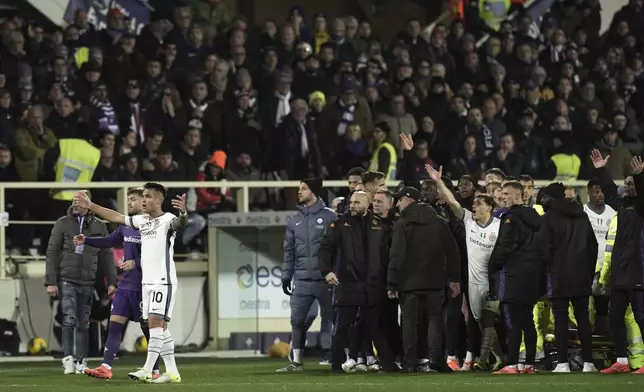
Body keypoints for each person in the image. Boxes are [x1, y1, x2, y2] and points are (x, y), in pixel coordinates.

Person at [73, 183, 188, 383]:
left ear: (159, 200)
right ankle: (172, 371)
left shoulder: (168, 219)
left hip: (163, 281)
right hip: (146, 283)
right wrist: (90, 205)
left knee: (154, 325)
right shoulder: (140, 221)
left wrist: (184, 214)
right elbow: (115, 217)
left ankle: (147, 369)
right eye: (142, 196)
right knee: (160, 328)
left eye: (148, 196)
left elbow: (180, 223)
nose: (144, 200)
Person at [426, 164, 505, 372]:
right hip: (473, 283)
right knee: (481, 323)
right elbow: (451, 201)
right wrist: (438, 181)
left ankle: (481, 360)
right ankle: (501, 357)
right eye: (475, 204)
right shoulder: (469, 221)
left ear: (489, 207)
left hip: (494, 282)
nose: (475, 207)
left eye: (479, 204)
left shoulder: (499, 226)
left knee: (488, 321)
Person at [77, 188, 160, 380]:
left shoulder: (152, 227)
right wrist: (86, 240)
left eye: (133, 200)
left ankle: (155, 371)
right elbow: (109, 241)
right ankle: (106, 366)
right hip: (125, 287)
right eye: (128, 199)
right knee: (114, 325)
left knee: (148, 329)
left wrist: (135, 263)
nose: (129, 203)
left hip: (144, 287)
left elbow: (158, 257)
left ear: (144, 203)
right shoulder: (126, 226)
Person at [318, 191, 397, 373]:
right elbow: (324, 249)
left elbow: (388, 255)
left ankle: (387, 364)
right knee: (342, 328)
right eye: (351, 202)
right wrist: (327, 271)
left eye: (357, 202)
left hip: (372, 285)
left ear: (367, 204)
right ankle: (336, 365)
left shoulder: (379, 225)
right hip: (347, 284)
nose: (352, 205)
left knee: (377, 328)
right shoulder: (340, 224)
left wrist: (390, 281)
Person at [388, 186, 461, 373]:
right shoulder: (438, 221)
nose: (397, 203)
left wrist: (392, 282)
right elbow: (452, 251)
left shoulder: (402, 223)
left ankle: (410, 362)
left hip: (408, 282)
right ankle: (436, 360)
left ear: (409, 200)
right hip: (434, 280)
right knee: (434, 321)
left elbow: (396, 255)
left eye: (400, 199)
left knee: (409, 322)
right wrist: (454, 278)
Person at [44, 190, 117, 375]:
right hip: (67, 277)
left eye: (80, 200)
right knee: (69, 318)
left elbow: (107, 254)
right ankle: (68, 358)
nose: (76, 203)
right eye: (74, 200)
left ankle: (81, 360)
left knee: (84, 322)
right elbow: (52, 252)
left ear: (88, 202)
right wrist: (50, 281)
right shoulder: (62, 223)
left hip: (88, 279)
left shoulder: (99, 225)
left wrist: (112, 281)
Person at [591, 153, 644, 374]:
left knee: (642, 318)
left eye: (632, 184)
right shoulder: (623, 206)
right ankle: (622, 360)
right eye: (627, 183)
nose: (628, 187)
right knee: (614, 317)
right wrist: (601, 169)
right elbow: (611, 192)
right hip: (621, 272)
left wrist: (641, 176)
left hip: (639, 271)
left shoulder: (641, 207)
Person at [278, 177, 337, 372]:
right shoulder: (294, 221)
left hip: (326, 280)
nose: (299, 192)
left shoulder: (330, 217)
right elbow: (288, 252)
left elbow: (339, 248)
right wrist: (286, 276)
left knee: (334, 319)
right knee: (297, 321)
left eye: (303, 188)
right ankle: (297, 362)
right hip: (302, 280)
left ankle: (338, 357)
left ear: (314, 192)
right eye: (299, 188)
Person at [538, 182, 598, 373]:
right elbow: (593, 246)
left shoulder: (548, 218)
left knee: (561, 320)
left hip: (558, 276)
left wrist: (545, 271)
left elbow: (543, 249)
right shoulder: (582, 215)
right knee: (583, 319)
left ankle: (563, 363)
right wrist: (588, 273)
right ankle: (589, 362)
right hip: (581, 275)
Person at [489, 181, 542, 375]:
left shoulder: (511, 218)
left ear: (518, 196)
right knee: (527, 321)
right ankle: (529, 364)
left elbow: (505, 246)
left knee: (512, 321)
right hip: (532, 276)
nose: (502, 196)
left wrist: (493, 266)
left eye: (506, 193)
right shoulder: (535, 217)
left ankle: (511, 364)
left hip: (514, 275)